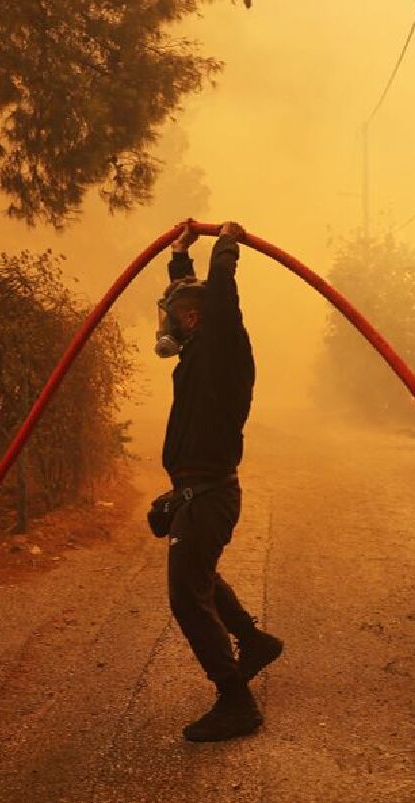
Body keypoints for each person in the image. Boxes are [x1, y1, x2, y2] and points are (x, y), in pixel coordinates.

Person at [153, 220, 284, 742]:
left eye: (180, 316)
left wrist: (225, 249)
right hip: (197, 492)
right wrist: (179, 257)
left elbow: (219, 303)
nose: (171, 325)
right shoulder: (201, 355)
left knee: (187, 595)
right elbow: (199, 301)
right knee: (198, 575)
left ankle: (236, 701)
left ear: (194, 318)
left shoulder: (225, 349)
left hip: (211, 495)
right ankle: (252, 641)